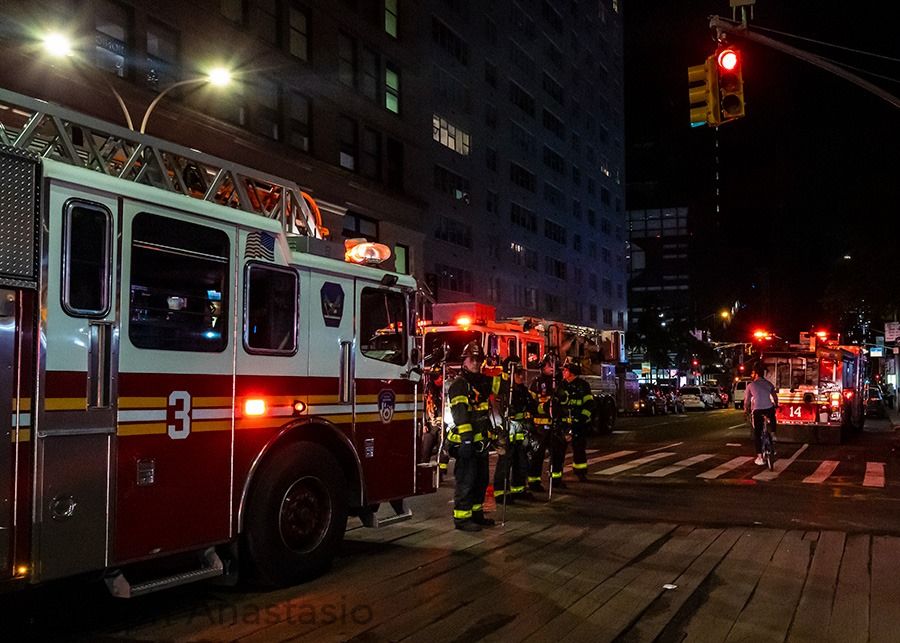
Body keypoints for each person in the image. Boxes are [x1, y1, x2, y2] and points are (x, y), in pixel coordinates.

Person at [446, 341, 501, 531]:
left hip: (481, 443)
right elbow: (461, 416)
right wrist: (467, 440)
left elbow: (496, 395)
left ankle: (476, 515)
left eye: (479, 360)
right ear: (464, 361)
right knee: (466, 481)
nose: (476, 363)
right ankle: (462, 519)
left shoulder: (482, 383)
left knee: (481, 480)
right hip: (466, 442)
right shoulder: (459, 385)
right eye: (473, 359)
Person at [493, 360, 536, 504]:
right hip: (505, 431)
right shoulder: (502, 386)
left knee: (521, 462)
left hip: (520, 432)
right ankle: (501, 493)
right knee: (505, 463)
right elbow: (492, 401)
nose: (521, 377)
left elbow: (532, 406)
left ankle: (519, 489)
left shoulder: (522, 390)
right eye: (518, 373)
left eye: (521, 373)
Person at [555, 357, 594, 481]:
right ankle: (557, 476)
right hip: (563, 424)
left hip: (578, 424)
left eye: (565, 370)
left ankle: (580, 472)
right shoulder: (561, 385)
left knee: (579, 449)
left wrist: (581, 419)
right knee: (559, 451)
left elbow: (589, 404)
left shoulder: (583, 386)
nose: (563, 372)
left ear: (571, 372)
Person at [527, 354, 557, 492]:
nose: (552, 368)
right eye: (549, 365)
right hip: (540, 426)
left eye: (553, 365)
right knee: (537, 455)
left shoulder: (558, 381)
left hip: (555, 424)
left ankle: (556, 479)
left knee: (556, 453)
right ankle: (534, 482)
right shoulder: (537, 382)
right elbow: (530, 404)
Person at [744, 364, 778, 466]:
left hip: (758, 410)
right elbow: (775, 397)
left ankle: (759, 457)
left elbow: (746, 401)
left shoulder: (751, 385)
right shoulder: (768, 384)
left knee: (757, 434)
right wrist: (776, 404)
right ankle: (773, 433)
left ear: (756, 374)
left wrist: (745, 410)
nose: (752, 374)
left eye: (753, 373)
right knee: (772, 416)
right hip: (768, 409)